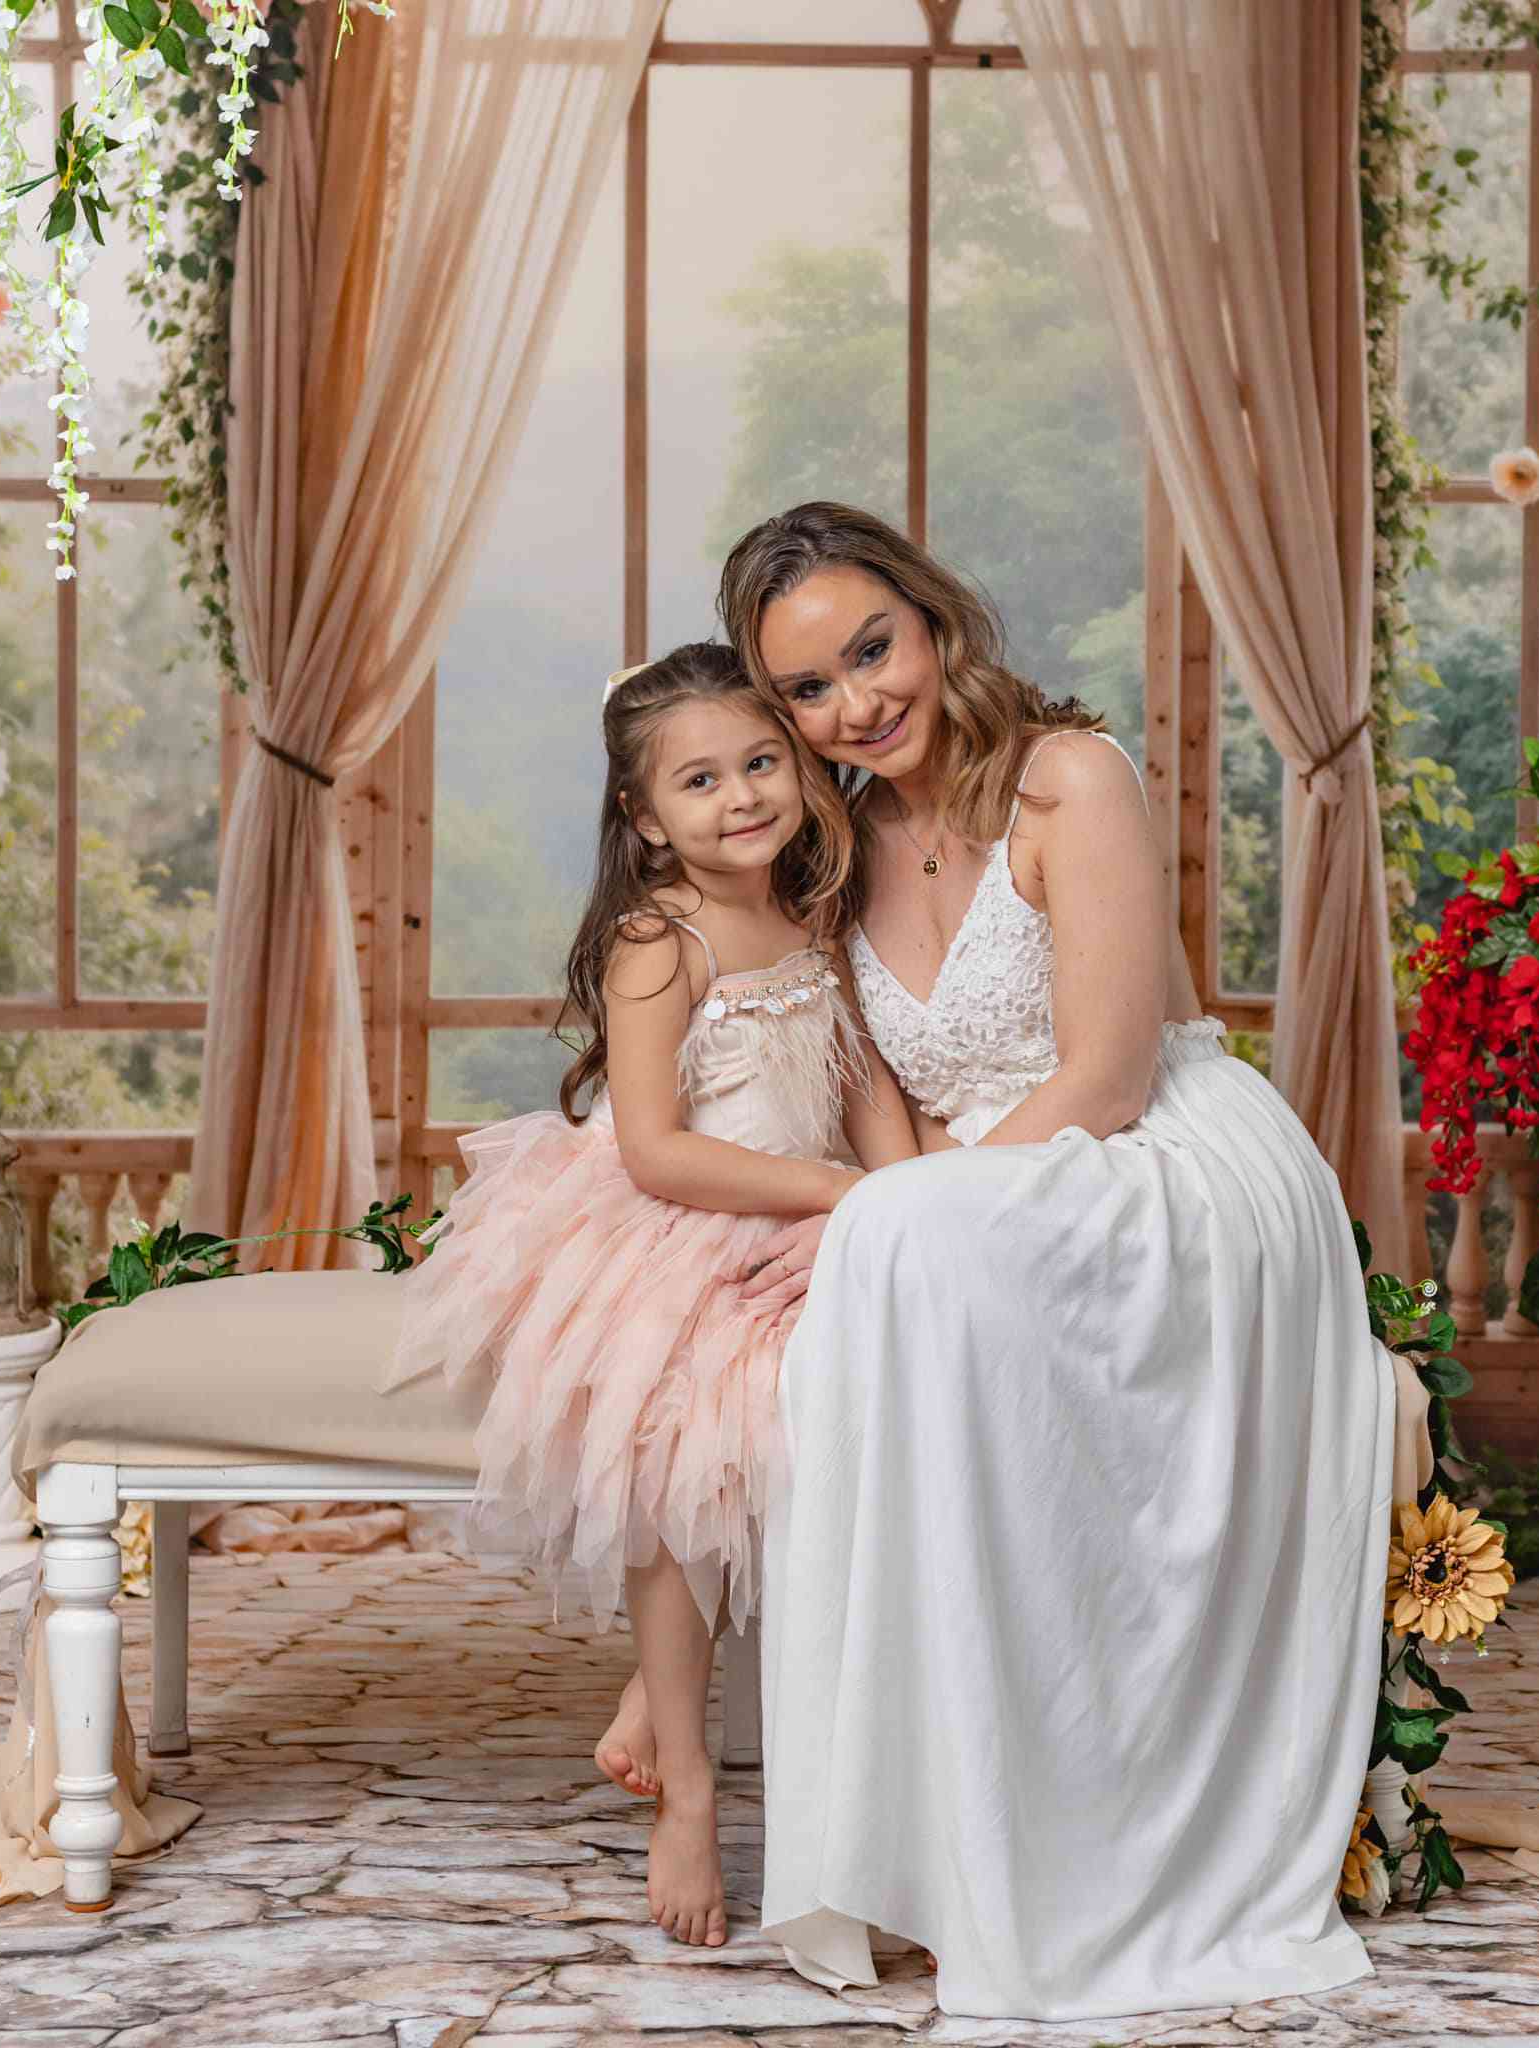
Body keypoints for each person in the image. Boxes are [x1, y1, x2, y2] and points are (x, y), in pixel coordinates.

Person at [713, 503, 1398, 2021]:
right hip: (968, 1192)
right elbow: (882, 1117)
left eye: (870, 649)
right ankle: (932, 1838)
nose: (857, 704)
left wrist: (915, 1218)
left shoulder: (1067, 778)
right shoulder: (834, 844)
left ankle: (1067, 1856)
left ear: (934, 614)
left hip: (1158, 1154)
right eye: (810, 691)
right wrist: (907, 1223)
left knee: (892, 1248)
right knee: (871, 1287)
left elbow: (1104, 1074)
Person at [385, 641, 915, 1951]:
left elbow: (863, 1087)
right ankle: (686, 1785)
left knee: (880, 1394)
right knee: (691, 1445)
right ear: (642, 816)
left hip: (814, 1207)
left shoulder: (814, 910)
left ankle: (648, 1691)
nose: (740, 796)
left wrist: (907, 1206)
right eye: (699, 780)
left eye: (760, 762)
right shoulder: (654, 939)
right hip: (679, 1220)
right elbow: (655, 1146)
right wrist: (836, 1198)